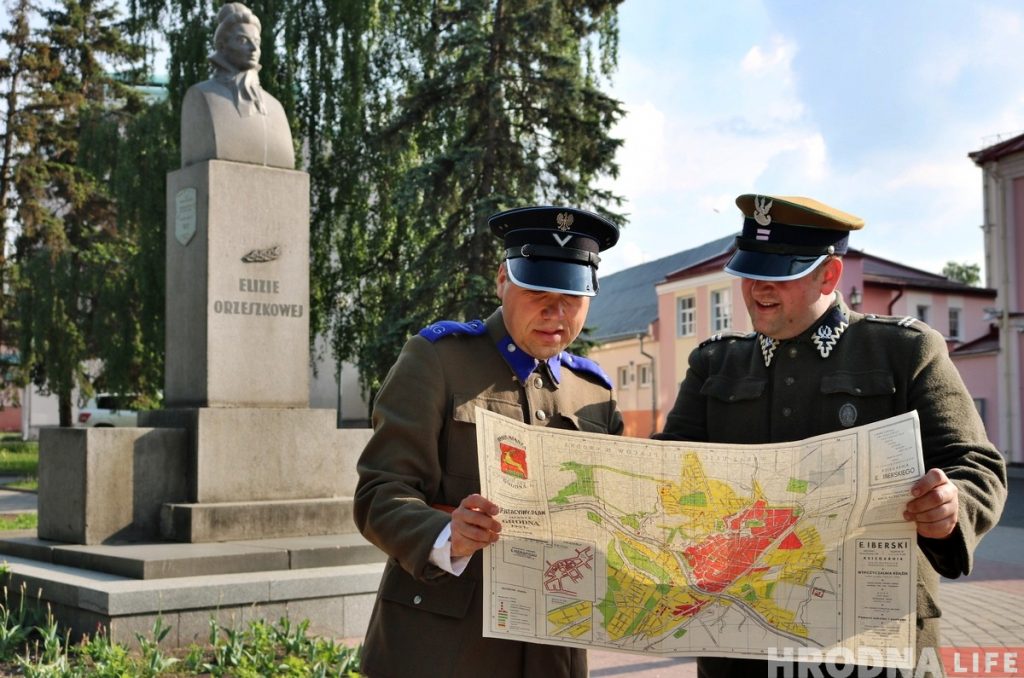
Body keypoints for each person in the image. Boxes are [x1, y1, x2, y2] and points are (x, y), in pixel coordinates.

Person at [656, 194, 1007, 678]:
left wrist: (952, 505)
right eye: (751, 270)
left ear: (829, 274)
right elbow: (671, 467)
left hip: (870, 640)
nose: (758, 287)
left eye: (780, 272)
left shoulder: (904, 351)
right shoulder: (715, 362)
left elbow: (975, 463)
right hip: (742, 635)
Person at [354, 205, 625, 677]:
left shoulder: (594, 391)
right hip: (440, 649)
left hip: (552, 651)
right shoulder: (437, 360)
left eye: (572, 296)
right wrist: (446, 535)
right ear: (503, 279)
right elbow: (379, 495)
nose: (554, 312)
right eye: (538, 288)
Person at [180, 3, 295, 169]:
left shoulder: (275, 107)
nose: (253, 48)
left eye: (257, 41)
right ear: (222, 46)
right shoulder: (202, 96)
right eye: (243, 40)